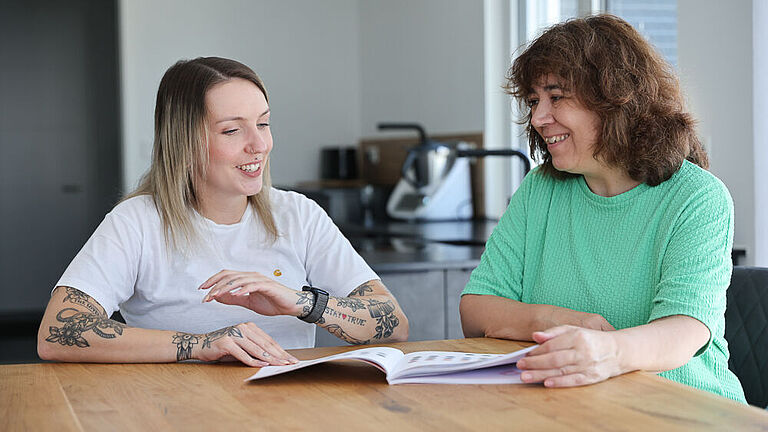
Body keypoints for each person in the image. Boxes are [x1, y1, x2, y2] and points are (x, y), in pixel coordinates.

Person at [37, 57, 408, 366]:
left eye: (263, 123)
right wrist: (200, 344)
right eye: (232, 131)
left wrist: (300, 302)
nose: (259, 144)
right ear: (184, 141)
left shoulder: (299, 215)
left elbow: (393, 324)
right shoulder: (137, 221)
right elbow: (57, 332)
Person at [459, 15, 745, 402]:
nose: (540, 118)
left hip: (686, 411)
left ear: (615, 99)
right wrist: (557, 322)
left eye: (556, 97)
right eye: (533, 101)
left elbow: (684, 332)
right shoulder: (538, 190)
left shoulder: (697, 197)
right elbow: (476, 311)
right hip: (575, 407)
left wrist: (604, 350)